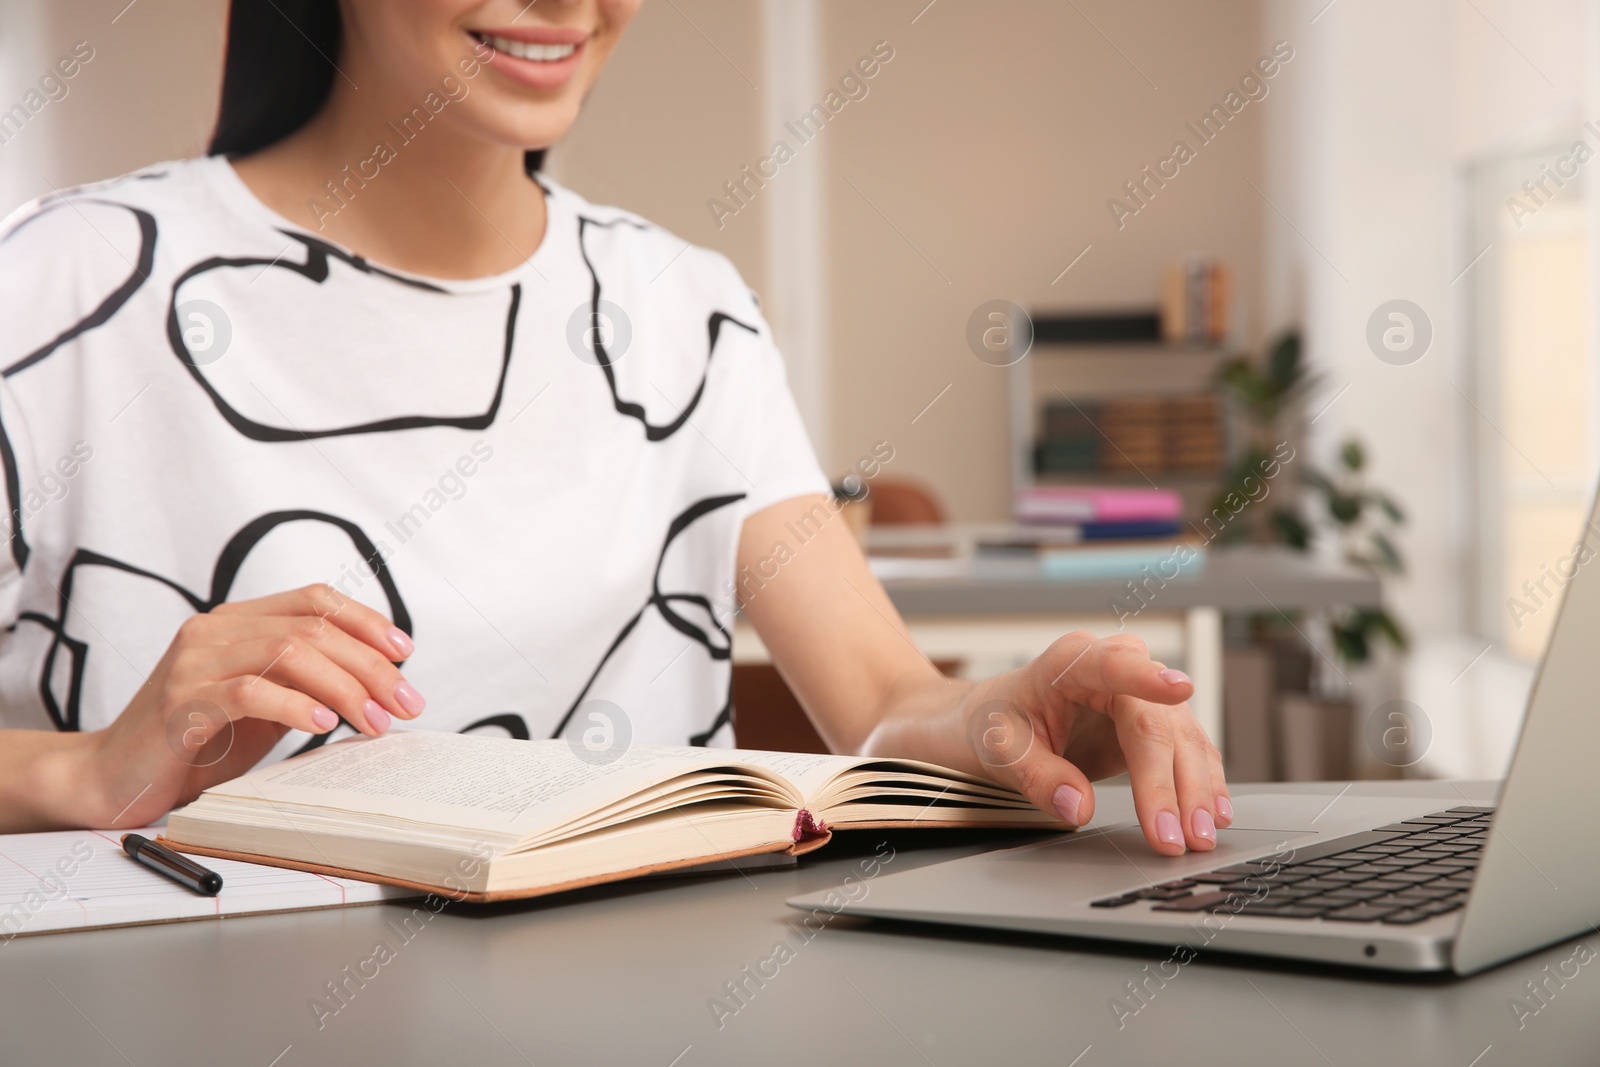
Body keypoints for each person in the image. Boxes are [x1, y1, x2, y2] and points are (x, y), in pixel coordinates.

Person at [0, 0, 1230, 855]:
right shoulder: (66, 284)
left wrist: (1011, 714)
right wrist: (89, 766)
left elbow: (883, 703)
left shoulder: (683, 309)